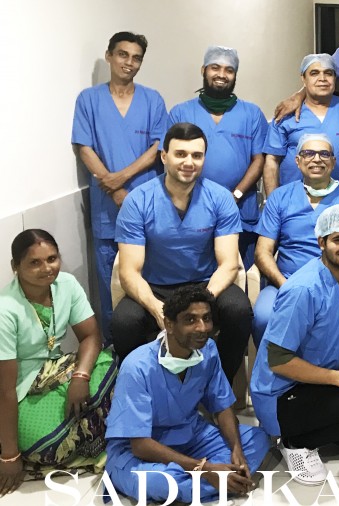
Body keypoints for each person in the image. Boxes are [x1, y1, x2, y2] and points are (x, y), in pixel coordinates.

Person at [250, 205, 339, 485]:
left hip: (312, 384)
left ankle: (309, 428)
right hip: (281, 394)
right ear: (321, 242)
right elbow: (279, 360)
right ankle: (292, 442)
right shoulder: (303, 290)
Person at [112, 122, 251, 382]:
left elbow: (229, 264)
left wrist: (201, 302)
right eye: (180, 154)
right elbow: (129, 271)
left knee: (238, 311)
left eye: (196, 155)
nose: (189, 162)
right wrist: (159, 310)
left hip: (205, 285)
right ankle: (146, 387)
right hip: (155, 287)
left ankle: (216, 384)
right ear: (164, 157)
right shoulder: (138, 201)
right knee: (123, 322)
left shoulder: (219, 198)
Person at [105, 285, 270, 503]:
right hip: (140, 450)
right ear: (169, 325)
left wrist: (236, 450)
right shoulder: (137, 367)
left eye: (207, 318)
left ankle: (212, 479)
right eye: (190, 320)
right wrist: (203, 468)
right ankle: (212, 480)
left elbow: (221, 406)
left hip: (191, 436)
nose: (202, 328)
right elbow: (140, 444)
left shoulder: (208, 350)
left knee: (259, 439)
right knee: (158, 482)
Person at [0, 230, 117, 491]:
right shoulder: (5, 310)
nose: (46, 268)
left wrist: (80, 377)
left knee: (111, 364)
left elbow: (90, 336)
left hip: (61, 368)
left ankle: (82, 416)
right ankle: (93, 422)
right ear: (15, 267)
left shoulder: (66, 284)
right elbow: (5, 391)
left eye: (52, 258)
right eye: (34, 262)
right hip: (21, 388)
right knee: (43, 445)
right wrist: (9, 456)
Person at [72, 31, 169, 341]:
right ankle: (115, 354)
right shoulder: (88, 100)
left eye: (136, 57)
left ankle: (153, 347)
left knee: (148, 281)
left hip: (145, 203)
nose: (130, 62)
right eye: (123, 55)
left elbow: (158, 147)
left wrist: (122, 178)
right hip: (107, 208)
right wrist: (113, 188)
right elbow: (84, 147)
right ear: (109, 56)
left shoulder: (152, 99)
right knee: (108, 286)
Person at [253, 133, 339, 346]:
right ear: (298, 160)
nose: (317, 159)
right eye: (308, 153)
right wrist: (287, 286)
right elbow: (262, 252)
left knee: (330, 325)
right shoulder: (280, 197)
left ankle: (323, 376)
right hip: (286, 281)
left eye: (324, 154)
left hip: (336, 283)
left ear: (333, 161)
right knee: (264, 317)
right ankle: (277, 373)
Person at [169, 45, 267, 268]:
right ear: (203, 70)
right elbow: (171, 159)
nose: (222, 75)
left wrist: (236, 194)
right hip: (193, 207)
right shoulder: (181, 112)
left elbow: (259, 159)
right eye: (215, 67)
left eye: (229, 70)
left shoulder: (251, 113)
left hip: (241, 208)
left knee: (240, 275)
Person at [263, 54, 339, 196]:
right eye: (314, 73)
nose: (322, 79)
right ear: (303, 78)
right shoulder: (287, 111)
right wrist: (272, 202)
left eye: (328, 73)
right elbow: (271, 161)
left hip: (338, 198)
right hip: (293, 199)